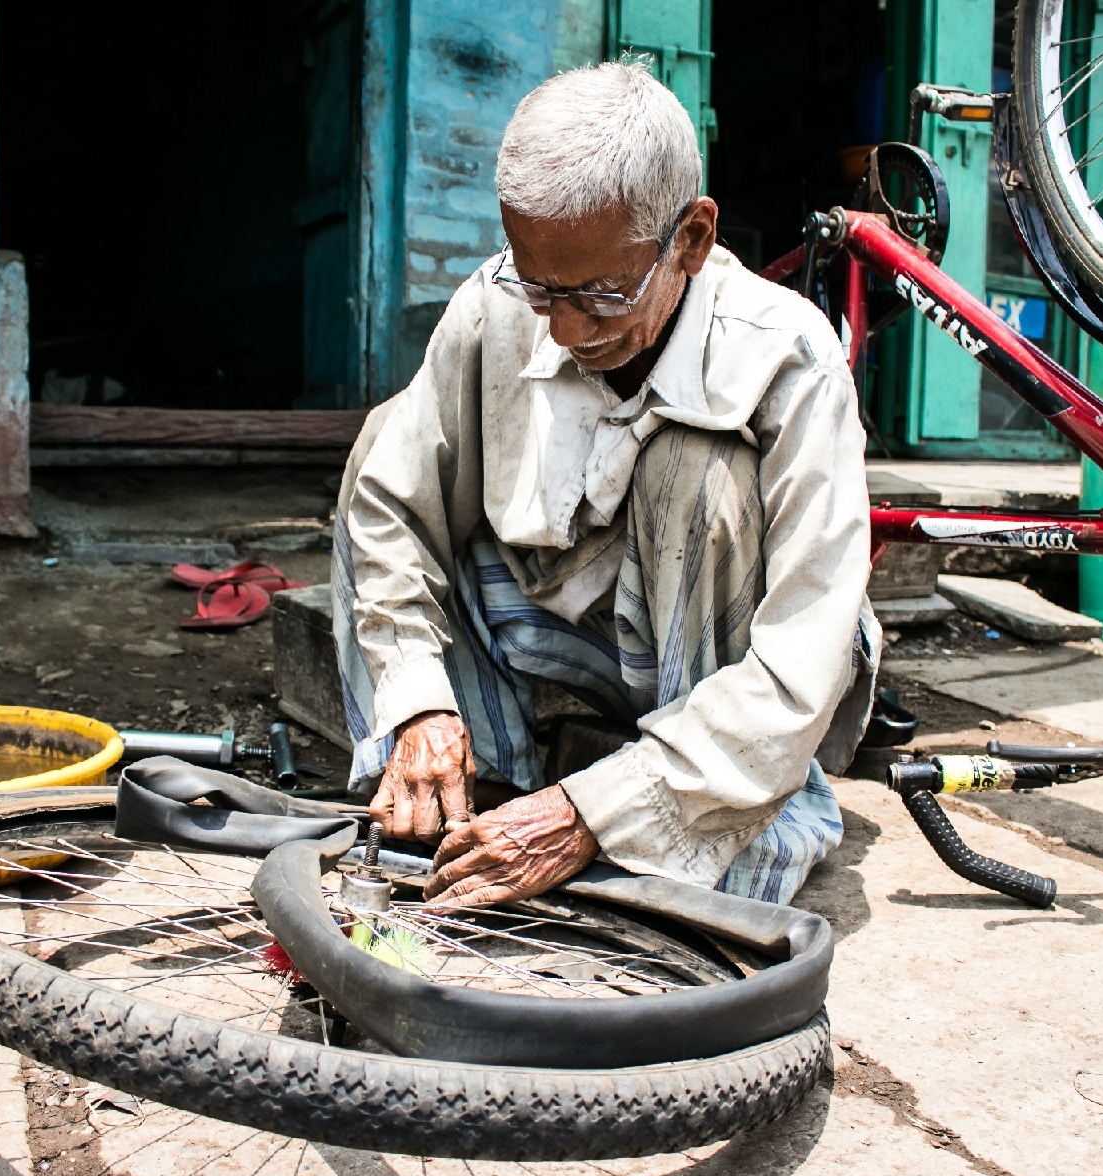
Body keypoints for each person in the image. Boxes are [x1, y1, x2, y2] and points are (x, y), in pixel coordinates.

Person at [333, 60, 878, 910]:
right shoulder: (499, 304)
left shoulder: (786, 359)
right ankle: (471, 805)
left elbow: (800, 664)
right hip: (574, 626)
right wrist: (416, 703)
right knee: (385, 446)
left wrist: (589, 815)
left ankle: (697, 821)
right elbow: (392, 509)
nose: (565, 325)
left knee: (701, 472)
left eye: (600, 291)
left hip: (731, 673)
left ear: (691, 239)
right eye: (539, 285)